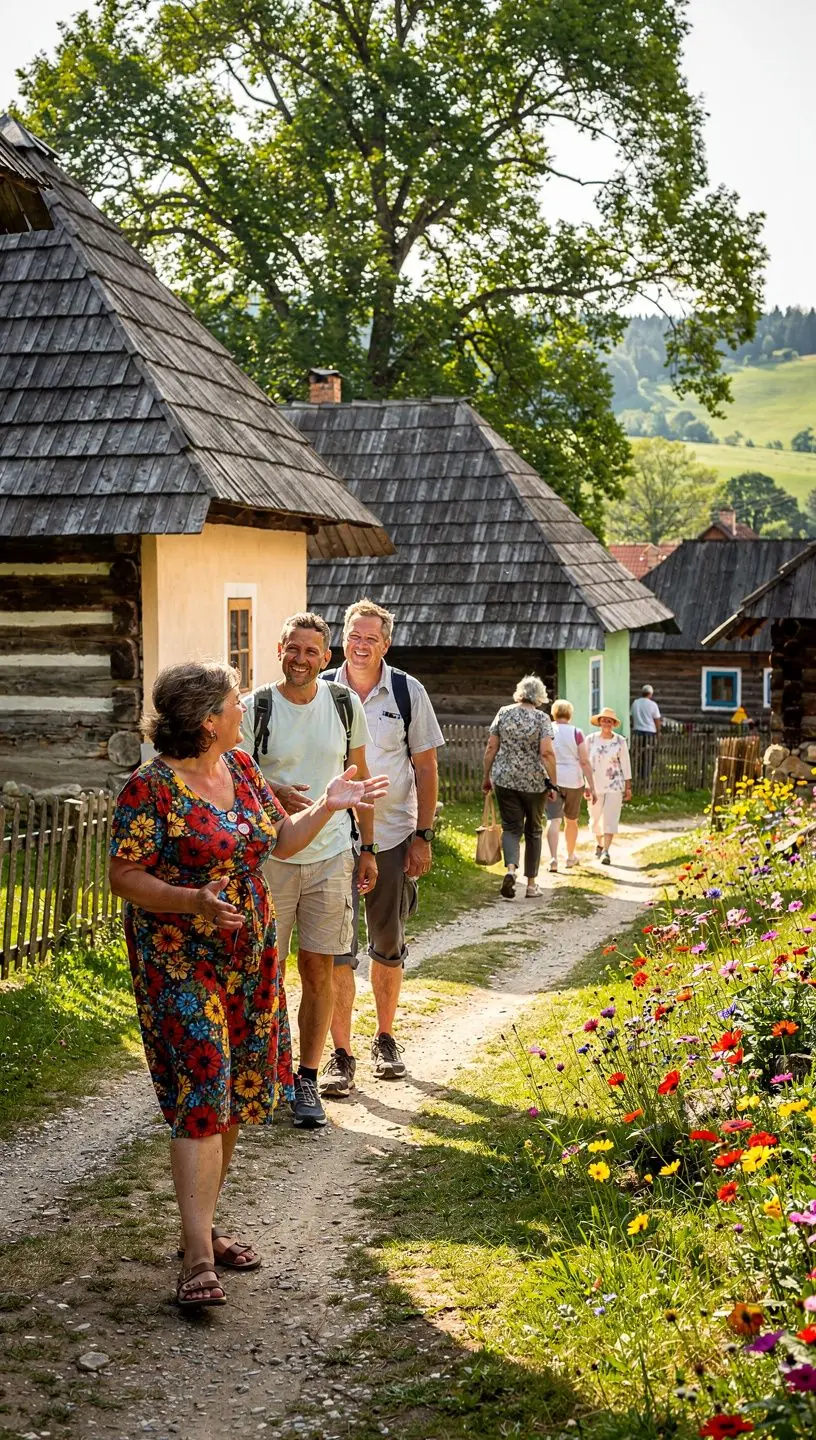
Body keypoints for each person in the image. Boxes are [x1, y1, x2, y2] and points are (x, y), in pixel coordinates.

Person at [108, 661, 387, 1310]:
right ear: (208, 720)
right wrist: (190, 900)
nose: (244, 708)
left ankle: (200, 1231)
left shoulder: (239, 770)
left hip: (250, 955)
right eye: (235, 701)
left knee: (233, 1091)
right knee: (203, 1087)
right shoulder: (149, 789)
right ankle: (198, 1260)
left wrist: (329, 804)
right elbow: (124, 875)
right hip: (178, 958)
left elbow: (280, 842)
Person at [242, 613, 376, 1131]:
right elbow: (234, 777)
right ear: (280, 649)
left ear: (326, 658)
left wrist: (367, 847)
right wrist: (273, 793)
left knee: (319, 970)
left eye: (311, 652)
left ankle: (306, 1079)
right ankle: (260, 1074)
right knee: (264, 972)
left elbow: (359, 779)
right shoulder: (257, 706)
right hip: (270, 858)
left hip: (330, 856)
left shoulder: (344, 705)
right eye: (292, 649)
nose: (300, 659)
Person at [319, 598, 445, 1096]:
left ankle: (386, 1038)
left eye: (372, 637)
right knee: (335, 951)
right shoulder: (322, 690)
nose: (361, 644)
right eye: (355, 635)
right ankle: (341, 1053)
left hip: (392, 835)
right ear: (344, 637)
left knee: (387, 946)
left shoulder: (407, 692)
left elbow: (427, 768)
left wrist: (423, 835)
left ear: (385, 644)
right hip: (331, 837)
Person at [482, 676, 557, 899]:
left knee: (511, 827)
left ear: (520, 692)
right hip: (534, 783)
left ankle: (511, 871)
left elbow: (491, 746)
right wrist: (553, 782)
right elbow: (546, 752)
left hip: (505, 779)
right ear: (540, 695)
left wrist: (486, 776)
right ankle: (532, 885)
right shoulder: (542, 719)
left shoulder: (504, 712)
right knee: (533, 830)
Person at [545, 699, 597, 871]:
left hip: (553, 780)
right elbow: (584, 761)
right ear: (570, 714)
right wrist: (592, 786)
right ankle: (570, 856)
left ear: (553, 713)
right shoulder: (577, 732)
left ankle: (553, 859)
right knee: (571, 821)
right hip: (574, 781)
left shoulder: (547, 730)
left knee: (553, 820)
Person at [586, 707, 632, 865]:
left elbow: (626, 765)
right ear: (599, 722)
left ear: (613, 724)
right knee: (595, 819)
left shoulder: (620, 741)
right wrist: (585, 785)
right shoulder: (590, 740)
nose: (606, 722)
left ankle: (606, 851)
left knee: (610, 819)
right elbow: (584, 763)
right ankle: (599, 844)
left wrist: (628, 787)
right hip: (594, 786)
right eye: (603, 720)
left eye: (609, 720)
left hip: (615, 785)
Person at [630, 684, 661, 786]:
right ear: (650, 694)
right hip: (649, 732)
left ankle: (638, 772)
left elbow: (632, 716)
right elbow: (657, 720)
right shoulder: (653, 705)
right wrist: (658, 732)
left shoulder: (635, 703)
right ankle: (646, 774)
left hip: (637, 731)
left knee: (638, 753)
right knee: (649, 754)